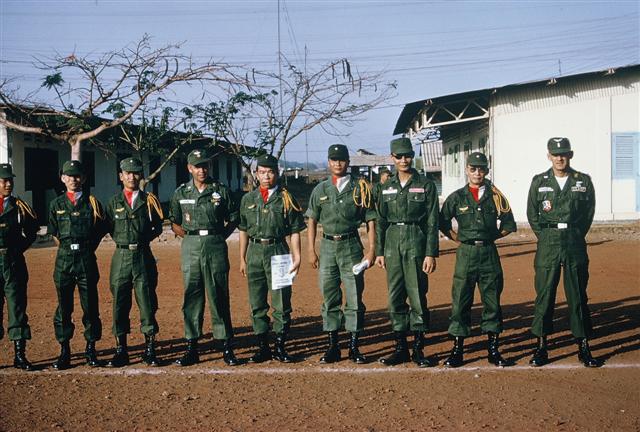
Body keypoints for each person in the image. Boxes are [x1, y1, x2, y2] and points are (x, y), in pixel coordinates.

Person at [527, 137, 603, 368]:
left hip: (573, 241)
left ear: (571, 155)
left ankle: (583, 346)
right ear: (548, 155)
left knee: (578, 294)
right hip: (548, 242)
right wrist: (546, 235)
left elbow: (588, 213)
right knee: (545, 294)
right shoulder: (539, 181)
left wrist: (575, 234)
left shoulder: (583, 181)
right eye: (555, 154)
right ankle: (541, 347)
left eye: (564, 153)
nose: (560, 158)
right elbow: (533, 214)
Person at [439, 152, 516, 368]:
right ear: (466, 170)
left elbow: (509, 224)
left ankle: (493, 349)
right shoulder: (456, 197)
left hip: (489, 254)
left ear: (487, 171)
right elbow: (443, 223)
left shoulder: (496, 196)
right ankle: (458, 350)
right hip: (466, 254)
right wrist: (459, 240)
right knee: (461, 300)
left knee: (492, 300)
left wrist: (491, 237)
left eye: (481, 169)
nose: (477, 173)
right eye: (473, 168)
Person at [306, 144, 376, 364]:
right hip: (327, 246)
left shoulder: (360, 188)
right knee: (329, 296)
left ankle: (354, 347)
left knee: (354, 295)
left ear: (348, 162)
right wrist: (311, 250)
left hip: (351, 246)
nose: (338, 163)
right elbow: (312, 220)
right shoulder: (320, 189)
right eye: (333, 160)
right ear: (328, 162)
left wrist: (372, 249)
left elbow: (371, 219)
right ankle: (333, 345)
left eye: (342, 160)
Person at [169, 149, 240, 366]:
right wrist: (190, 237)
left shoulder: (220, 191)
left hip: (215, 244)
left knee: (218, 293)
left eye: (205, 165)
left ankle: (226, 345)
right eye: (197, 166)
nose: (202, 170)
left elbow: (234, 217)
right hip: (190, 245)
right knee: (192, 294)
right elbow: (175, 222)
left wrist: (219, 236)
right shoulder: (181, 193)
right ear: (189, 168)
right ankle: (192, 346)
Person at [374, 137, 439, 367]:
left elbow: (432, 221)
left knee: (418, 295)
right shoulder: (385, 186)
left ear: (412, 156)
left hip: (416, 241)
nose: (404, 160)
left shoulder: (425, 184)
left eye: (407, 155)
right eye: (399, 156)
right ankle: (400, 347)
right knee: (395, 296)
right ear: (392, 158)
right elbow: (381, 221)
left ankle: (418, 349)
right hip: (392, 242)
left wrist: (431, 253)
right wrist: (379, 251)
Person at [239, 154, 305, 363]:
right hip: (255, 252)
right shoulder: (248, 199)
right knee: (257, 302)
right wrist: (242, 258)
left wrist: (297, 256)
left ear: (277, 173)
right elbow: (243, 230)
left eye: (270, 172)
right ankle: (262, 346)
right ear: (256, 174)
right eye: (262, 172)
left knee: (281, 302)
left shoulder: (286, 198)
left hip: (278, 251)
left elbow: (295, 230)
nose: (266, 176)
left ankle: (280, 346)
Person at [47, 160, 108, 370]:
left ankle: (91, 349)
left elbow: (100, 230)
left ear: (84, 178)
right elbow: (55, 233)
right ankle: (65, 351)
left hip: (86, 258)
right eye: (69, 176)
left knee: (90, 305)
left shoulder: (93, 203)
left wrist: (85, 248)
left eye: (77, 175)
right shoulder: (56, 204)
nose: (73, 179)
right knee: (64, 307)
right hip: (63, 260)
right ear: (62, 178)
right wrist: (68, 247)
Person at [104, 157, 164, 367]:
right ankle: (121, 349)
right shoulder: (113, 203)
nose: (131, 176)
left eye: (136, 173)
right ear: (121, 176)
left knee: (147, 302)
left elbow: (157, 226)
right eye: (127, 173)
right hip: (120, 257)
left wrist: (141, 240)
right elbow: (109, 227)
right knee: (120, 303)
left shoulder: (149, 201)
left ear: (140, 176)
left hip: (142, 256)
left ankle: (150, 348)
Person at [0, 163, 39, 370]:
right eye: (4, 180)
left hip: (13, 262)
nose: (8, 184)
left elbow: (32, 231)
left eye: (10, 180)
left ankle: (19, 355)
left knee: (17, 307)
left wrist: (17, 249)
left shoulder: (20, 207)